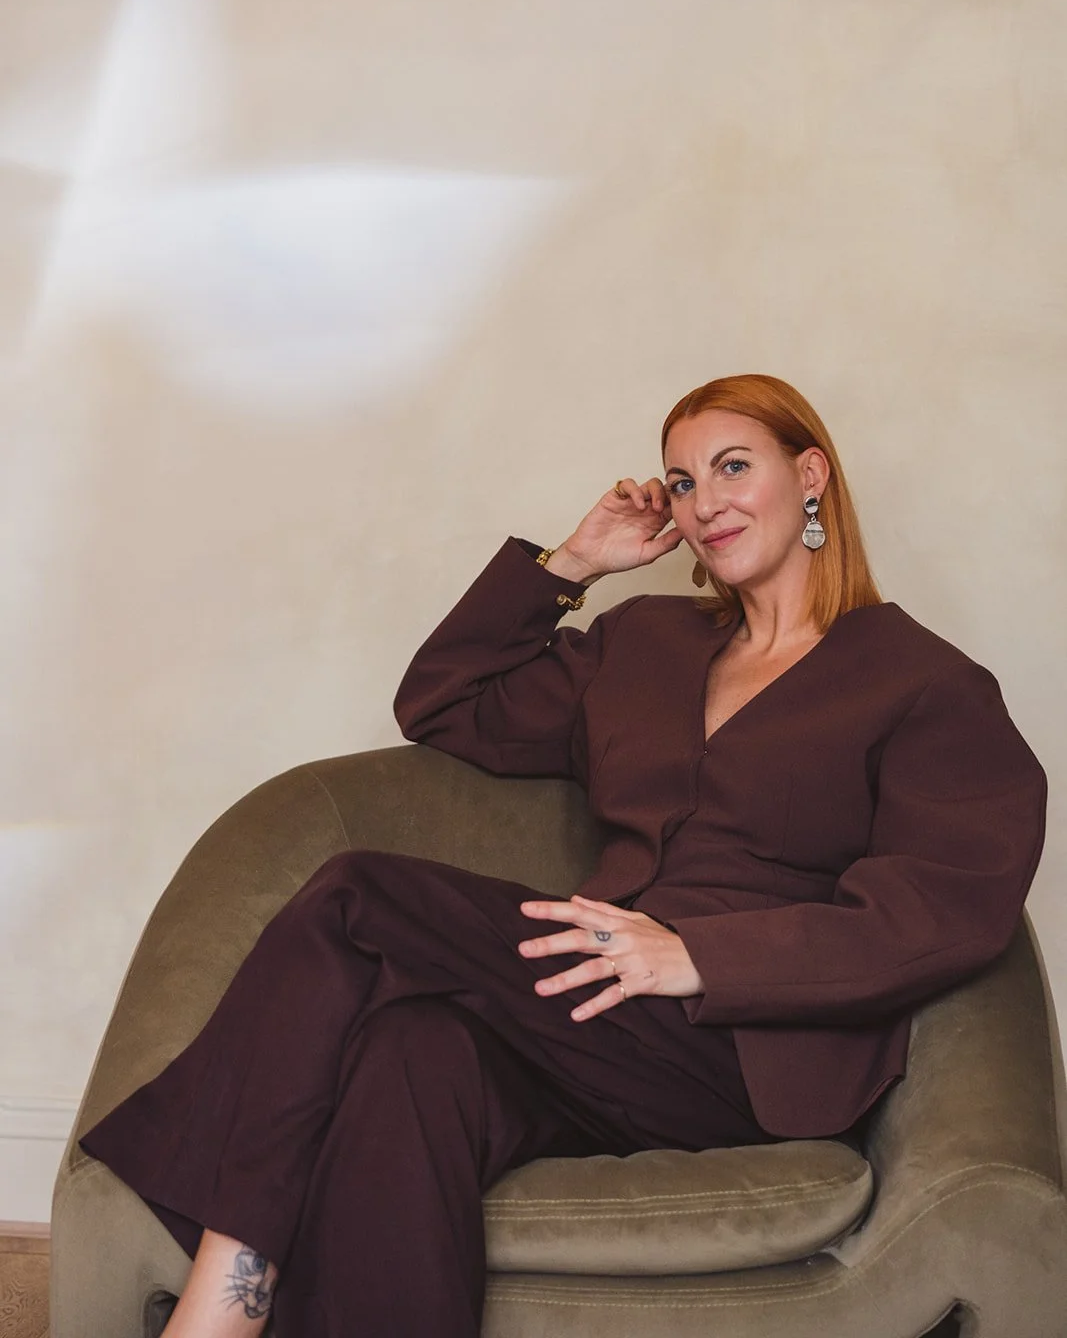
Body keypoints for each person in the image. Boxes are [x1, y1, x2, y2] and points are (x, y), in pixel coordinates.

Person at [81, 373, 1046, 1338]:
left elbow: (943, 910)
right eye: (681, 482)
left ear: (809, 476)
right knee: (411, 1051)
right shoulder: (646, 643)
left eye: (731, 467)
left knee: (355, 895)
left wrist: (699, 956)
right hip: (595, 1019)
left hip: (747, 1057)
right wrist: (574, 563)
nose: (703, 503)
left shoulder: (924, 684)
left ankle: (225, 1296)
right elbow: (445, 703)